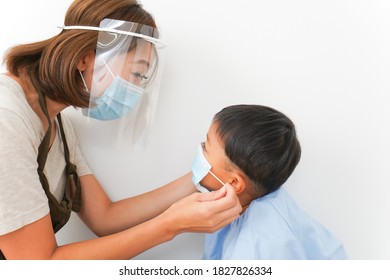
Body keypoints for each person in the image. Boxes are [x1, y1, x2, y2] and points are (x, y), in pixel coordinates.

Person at [0, 0, 242, 260]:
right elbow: (37, 265)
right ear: (84, 58)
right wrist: (172, 224)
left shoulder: (60, 125)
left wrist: (202, 175)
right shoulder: (8, 119)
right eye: (136, 74)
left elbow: (105, 217)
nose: (135, 90)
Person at [191, 104, 347, 259]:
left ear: (235, 183)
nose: (200, 150)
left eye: (206, 147)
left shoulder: (260, 244)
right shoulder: (247, 197)